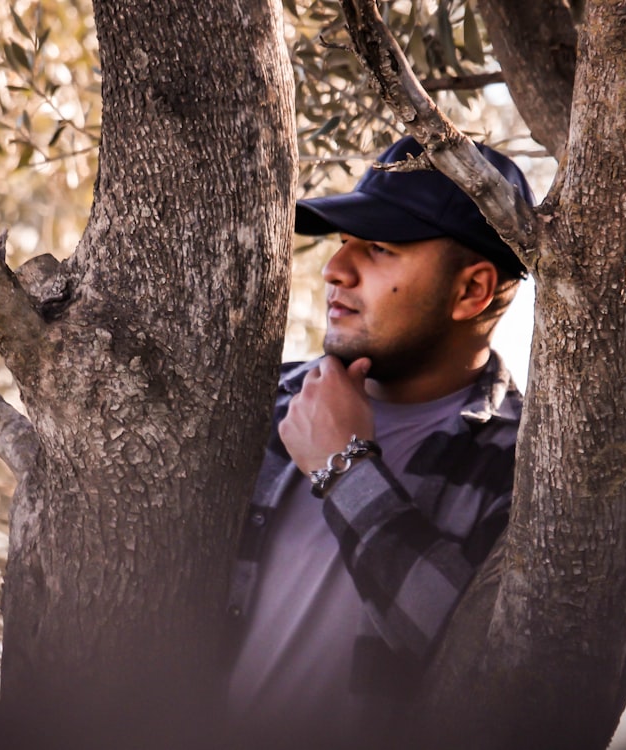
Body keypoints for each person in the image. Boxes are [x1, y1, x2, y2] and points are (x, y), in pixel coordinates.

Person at [223, 135, 533, 745]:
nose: (335, 269)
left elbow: (485, 671)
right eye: (343, 242)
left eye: (380, 248)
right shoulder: (259, 399)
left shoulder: (525, 465)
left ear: (471, 290)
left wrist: (345, 471)